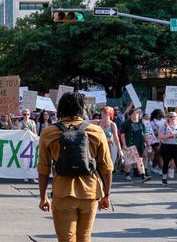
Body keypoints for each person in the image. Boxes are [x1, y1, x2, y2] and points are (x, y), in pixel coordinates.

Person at [37, 92, 113, 242]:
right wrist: (106, 195)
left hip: (62, 192)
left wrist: (43, 197)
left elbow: (43, 168)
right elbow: (106, 167)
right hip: (90, 193)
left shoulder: (49, 132)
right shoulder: (96, 131)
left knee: (66, 239)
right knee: (84, 237)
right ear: (82, 109)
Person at [157, 112, 177, 189]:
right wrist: (169, 136)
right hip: (166, 146)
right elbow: (160, 137)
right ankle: (164, 178)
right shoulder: (164, 126)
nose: (173, 118)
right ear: (168, 118)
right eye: (171, 117)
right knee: (166, 163)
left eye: (174, 116)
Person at [120, 108, 151, 182]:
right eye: (133, 114)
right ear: (130, 115)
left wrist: (148, 144)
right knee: (130, 161)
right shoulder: (126, 123)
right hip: (130, 144)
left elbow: (144, 135)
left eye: (136, 113)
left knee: (139, 160)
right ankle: (127, 174)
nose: (135, 115)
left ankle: (143, 176)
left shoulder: (141, 123)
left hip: (139, 144)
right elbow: (122, 135)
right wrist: (124, 144)